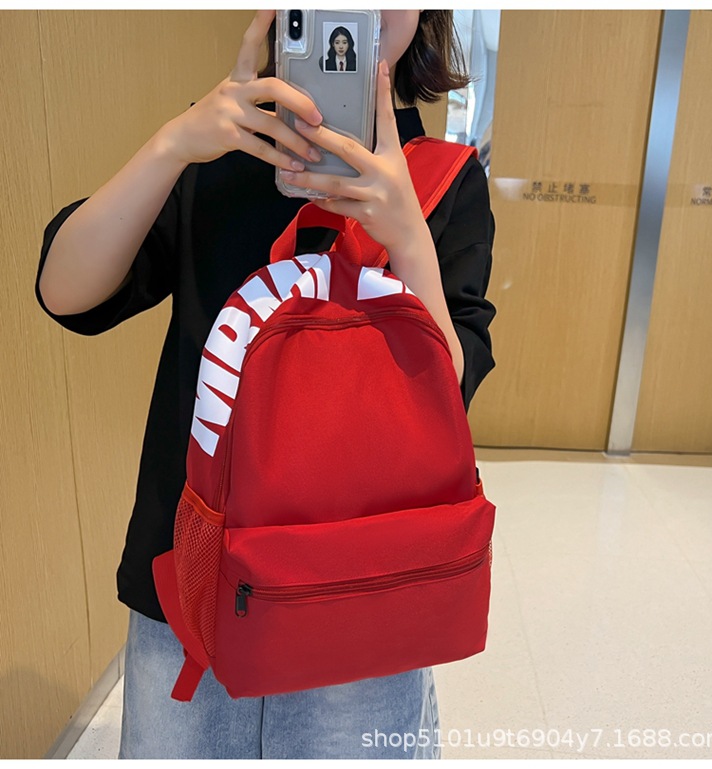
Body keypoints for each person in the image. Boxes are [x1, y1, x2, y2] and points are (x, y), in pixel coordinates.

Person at [35, 9, 496, 760]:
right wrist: (173, 143)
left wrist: (409, 238)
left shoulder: (446, 179)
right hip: (194, 582)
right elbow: (65, 293)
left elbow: (449, 393)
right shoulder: (215, 153)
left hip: (363, 588)